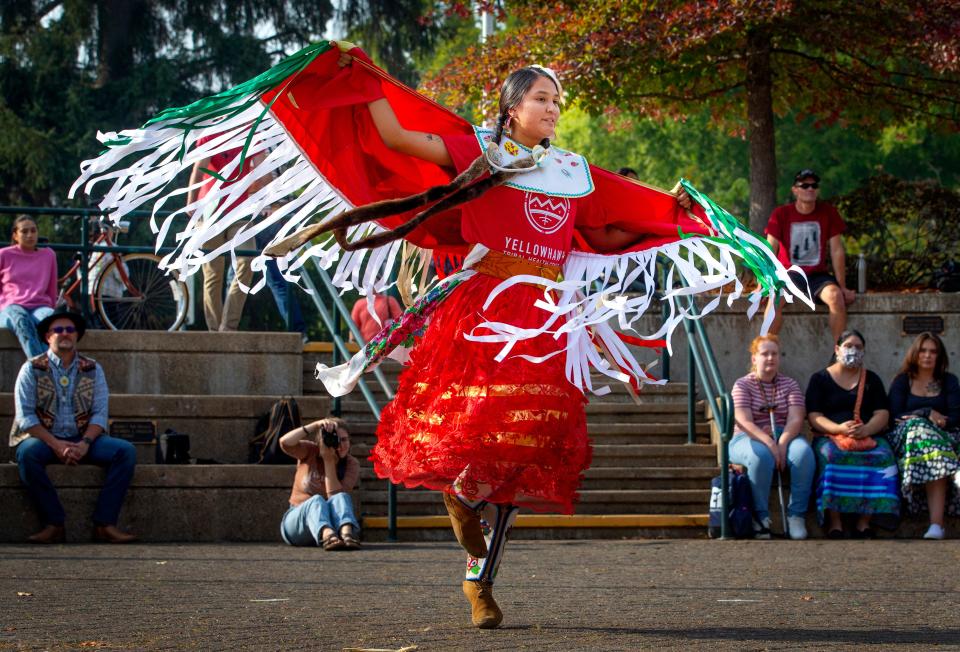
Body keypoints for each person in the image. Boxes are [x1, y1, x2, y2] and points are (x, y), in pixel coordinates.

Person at [11, 307, 137, 544]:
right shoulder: (32, 368)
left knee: (125, 451)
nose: (65, 333)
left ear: (77, 335)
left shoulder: (92, 368)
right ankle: (54, 523)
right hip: (46, 440)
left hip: (85, 439)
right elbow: (26, 418)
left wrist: (85, 443)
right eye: (58, 330)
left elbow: (100, 413)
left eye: (70, 329)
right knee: (27, 454)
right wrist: (57, 445)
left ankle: (104, 524)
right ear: (48, 336)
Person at [805, 329, 898, 538]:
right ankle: (835, 522)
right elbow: (814, 415)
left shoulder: (872, 379)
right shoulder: (820, 379)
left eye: (858, 347)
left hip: (867, 436)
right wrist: (838, 429)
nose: (853, 351)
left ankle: (865, 521)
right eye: (848, 346)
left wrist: (867, 429)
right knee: (831, 457)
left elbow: (882, 413)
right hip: (830, 437)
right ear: (837, 349)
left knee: (884, 457)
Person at [729, 334, 814, 540]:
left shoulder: (790, 384)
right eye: (764, 354)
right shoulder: (742, 385)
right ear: (754, 359)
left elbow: (796, 418)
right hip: (747, 438)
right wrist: (769, 443)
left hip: (784, 434)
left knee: (803, 454)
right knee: (761, 457)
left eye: (774, 354)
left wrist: (782, 443)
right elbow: (744, 421)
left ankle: (796, 515)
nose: (770, 358)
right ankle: (760, 517)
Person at [186, 141, 269, 332]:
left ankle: (228, 327)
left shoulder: (254, 133)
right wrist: (191, 200)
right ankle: (215, 331)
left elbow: (264, 173)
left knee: (247, 261)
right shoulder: (212, 133)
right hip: (210, 212)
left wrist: (268, 198)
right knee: (214, 274)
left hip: (239, 213)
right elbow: (199, 168)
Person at [765, 169, 855, 342]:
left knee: (836, 297)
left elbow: (837, 251)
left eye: (814, 185)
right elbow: (769, 249)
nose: (810, 189)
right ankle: (767, 350)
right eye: (804, 185)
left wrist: (842, 286)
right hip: (789, 274)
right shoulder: (781, 214)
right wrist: (764, 282)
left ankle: (839, 353)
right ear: (795, 190)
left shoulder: (828, 212)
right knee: (775, 298)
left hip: (817, 276)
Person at [888, 332, 960, 539]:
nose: (927, 355)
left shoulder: (949, 381)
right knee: (920, 427)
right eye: (923, 350)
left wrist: (942, 421)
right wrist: (926, 413)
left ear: (940, 356)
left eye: (933, 351)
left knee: (933, 446)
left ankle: (936, 526)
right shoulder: (903, 381)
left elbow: (956, 416)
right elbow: (894, 416)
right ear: (915, 353)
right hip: (907, 437)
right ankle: (937, 523)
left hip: (943, 436)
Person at [278, 417, 361, 550]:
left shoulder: (351, 464)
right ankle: (328, 535)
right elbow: (285, 442)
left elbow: (335, 498)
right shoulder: (310, 451)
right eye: (335, 440)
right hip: (297, 525)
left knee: (341, 496)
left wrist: (329, 461)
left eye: (344, 440)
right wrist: (315, 425)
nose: (340, 445)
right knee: (317, 500)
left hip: (332, 522)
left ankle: (347, 535)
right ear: (321, 441)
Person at [0, 216, 58, 358]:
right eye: (24, 231)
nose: (30, 235)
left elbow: (52, 290)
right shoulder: (4, 254)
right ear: (15, 235)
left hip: (40, 306)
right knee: (21, 319)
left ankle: (44, 369)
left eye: (33, 231)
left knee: (50, 321)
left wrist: (51, 307)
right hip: (11, 307)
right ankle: (43, 369)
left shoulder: (48, 255)